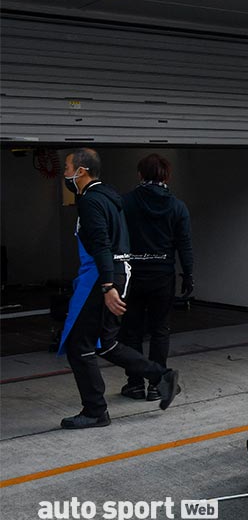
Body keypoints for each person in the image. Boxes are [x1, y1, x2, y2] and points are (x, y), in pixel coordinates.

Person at [58, 149, 180, 428]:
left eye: (67, 167)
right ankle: (161, 375)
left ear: (82, 170)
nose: (64, 173)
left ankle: (95, 411)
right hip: (115, 271)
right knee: (106, 342)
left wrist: (108, 286)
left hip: (103, 275)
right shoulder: (107, 196)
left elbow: (101, 243)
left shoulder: (91, 201)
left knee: (81, 346)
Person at [119, 154, 195, 401]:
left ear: (140, 175)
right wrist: (188, 274)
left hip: (133, 274)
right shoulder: (177, 206)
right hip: (163, 274)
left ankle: (134, 384)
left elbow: (116, 239)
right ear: (167, 176)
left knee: (131, 330)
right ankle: (157, 384)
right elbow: (184, 244)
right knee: (160, 330)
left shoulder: (126, 202)